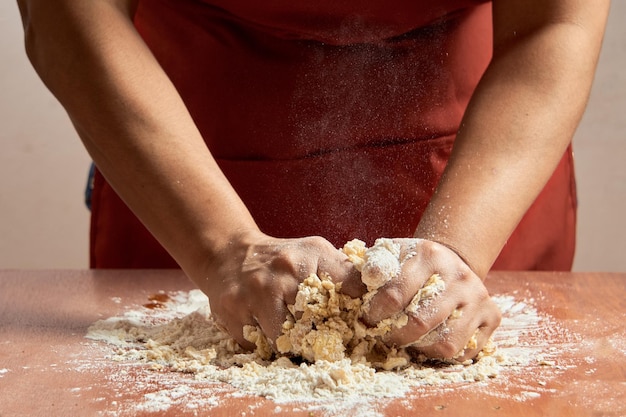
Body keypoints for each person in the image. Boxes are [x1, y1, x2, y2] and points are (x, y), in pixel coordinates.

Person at [16, 0, 609, 361]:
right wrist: (221, 246)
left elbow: (554, 23)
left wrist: (460, 245)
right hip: (181, 158)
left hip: (486, 153)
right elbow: (67, 13)